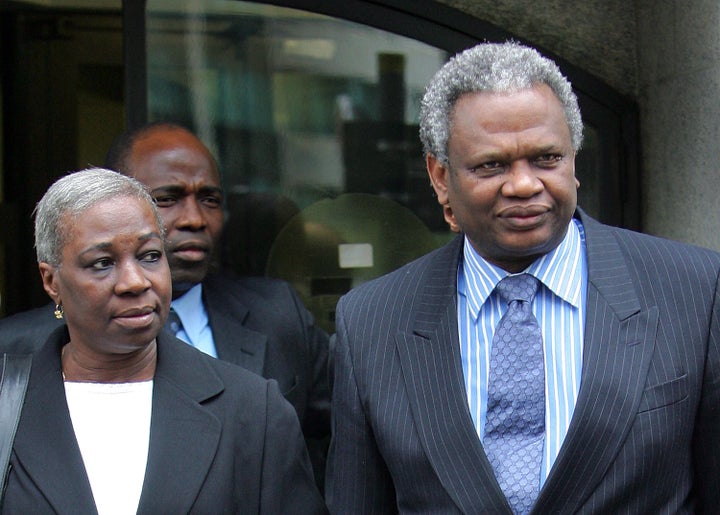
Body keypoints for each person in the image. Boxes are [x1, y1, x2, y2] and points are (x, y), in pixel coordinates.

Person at [326, 41, 720, 514]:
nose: (523, 184)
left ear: (573, 159)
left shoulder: (695, 289)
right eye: (491, 165)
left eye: (546, 159)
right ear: (439, 176)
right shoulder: (370, 323)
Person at [0, 122, 331, 487]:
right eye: (168, 198)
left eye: (210, 199)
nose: (194, 219)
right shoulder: (13, 354)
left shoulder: (278, 316)